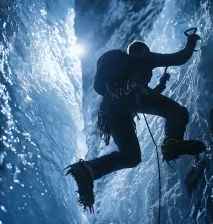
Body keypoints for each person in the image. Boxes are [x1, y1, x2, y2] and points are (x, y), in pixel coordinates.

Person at [65, 33, 205, 212]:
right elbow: (180, 58)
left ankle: (88, 169)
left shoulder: (121, 71)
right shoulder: (144, 56)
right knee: (177, 111)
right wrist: (192, 40)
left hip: (110, 107)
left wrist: (161, 84)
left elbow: (146, 97)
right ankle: (172, 143)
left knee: (131, 155)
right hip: (130, 95)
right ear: (144, 50)